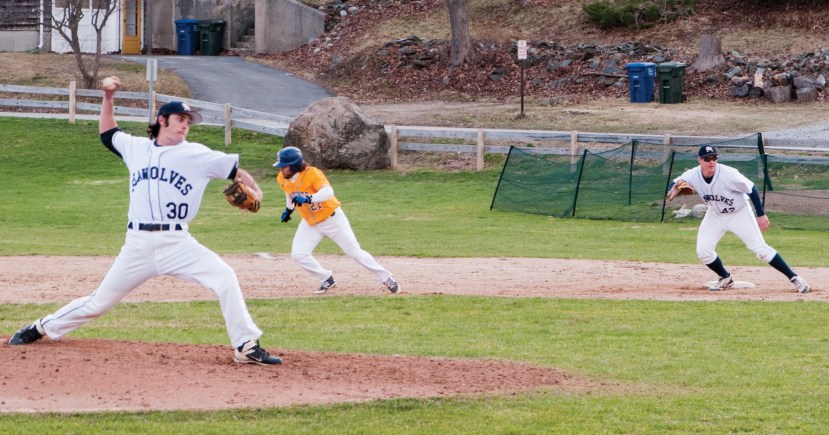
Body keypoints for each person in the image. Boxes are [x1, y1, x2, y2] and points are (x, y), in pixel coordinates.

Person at [8, 77, 282, 365]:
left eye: (188, 120)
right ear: (162, 120)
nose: (185, 124)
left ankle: (245, 345)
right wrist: (108, 98)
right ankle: (40, 327)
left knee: (225, 278)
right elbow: (107, 134)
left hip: (178, 243)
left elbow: (236, 170)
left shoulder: (197, 154)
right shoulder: (136, 147)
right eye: (180, 118)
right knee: (98, 303)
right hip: (138, 245)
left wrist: (258, 190)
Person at [669, 144, 810, 293]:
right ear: (700, 160)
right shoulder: (693, 174)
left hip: (739, 213)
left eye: (714, 158)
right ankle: (725, 277)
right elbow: (675, 183)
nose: (711, 161)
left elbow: (752, 189)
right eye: (707, 158)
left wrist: (761, 214)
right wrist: (671, 188)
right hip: (715, 214)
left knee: (760, 249)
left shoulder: (728, 174)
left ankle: (795, 279)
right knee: (703, 251)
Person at [274, 146, 400, 295]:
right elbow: (289, 193)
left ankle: (386, 277)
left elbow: (328, 192)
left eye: (284, 166)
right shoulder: (282, 178)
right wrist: (289, 210)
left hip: (332, 219)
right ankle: (326, 278)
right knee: (298, 254)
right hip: (310, 223)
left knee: (354, 252)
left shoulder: (312, 174)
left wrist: (309, 198)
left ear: (295, 165)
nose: (281, 170)